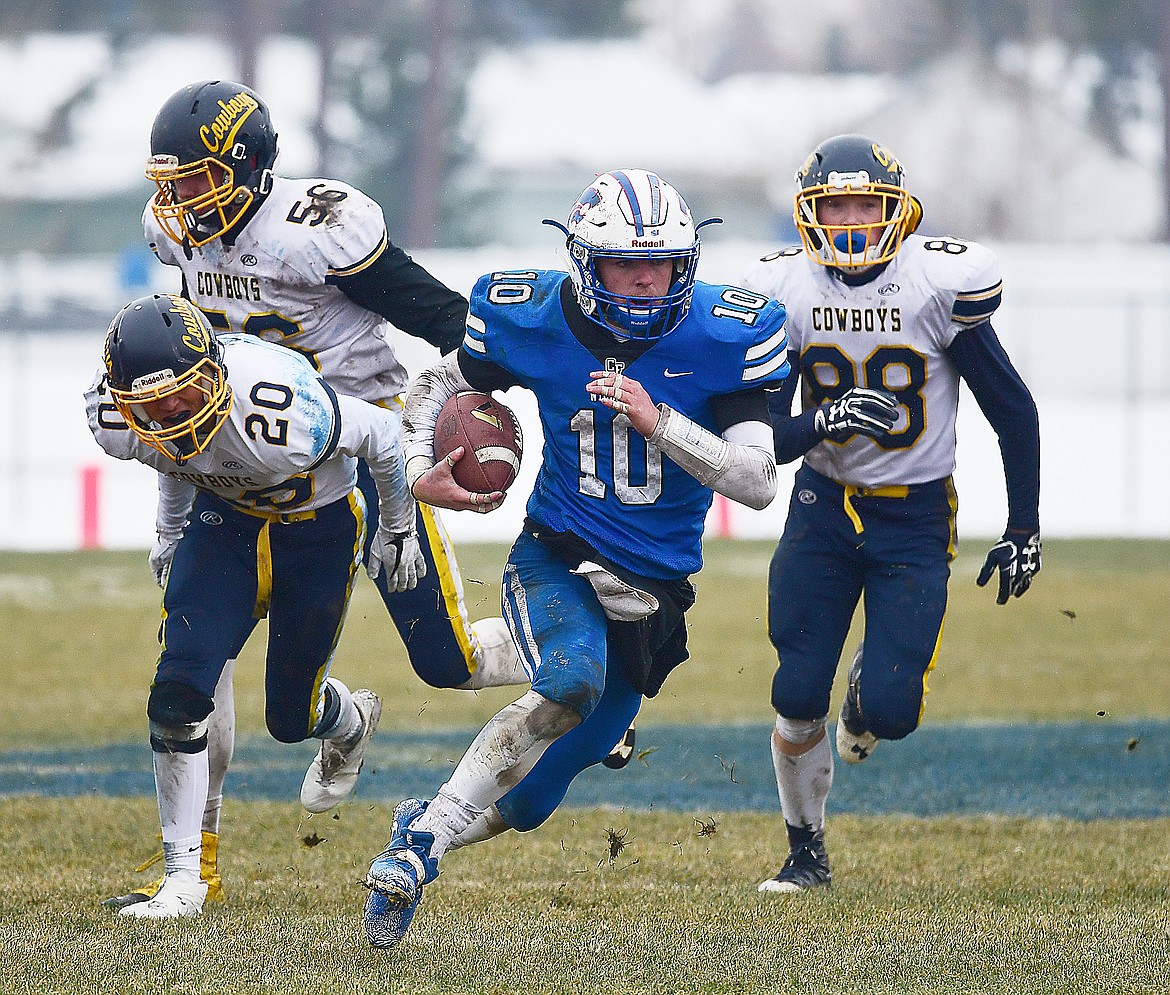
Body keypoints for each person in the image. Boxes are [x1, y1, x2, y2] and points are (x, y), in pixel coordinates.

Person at [104, 79, 531, 910]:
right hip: (238, 459)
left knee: (449, 661)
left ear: (250, 168)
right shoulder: (174, 233)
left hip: (357, 456)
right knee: (197, 663)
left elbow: (432, 310)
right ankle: (195, 868)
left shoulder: (316, 232)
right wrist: (173, 510)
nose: (179, 200)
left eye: (196, 178)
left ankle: (569, 655)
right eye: (171, 182)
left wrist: (515, 368)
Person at [359, 167, 791, 948]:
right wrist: (423, 462)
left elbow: (759, 482)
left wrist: (663, 423)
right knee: (570, 676)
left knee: (531, 800)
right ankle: (415, 853)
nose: (644, 279)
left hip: (655, 586)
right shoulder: (531, 318)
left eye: (658, 262)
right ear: (583, 263)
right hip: (558, 549)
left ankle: (429, 821)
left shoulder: (725, 334)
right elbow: (435, 382)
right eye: (625, 262)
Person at [739, 134, 1041, 893]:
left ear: (894, 210)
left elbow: (1013, 411)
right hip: (823, 508)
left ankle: (865, 705)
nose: (847, 220)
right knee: (795, 689)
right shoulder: (787, 292)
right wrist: (828, 418)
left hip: (914, 514)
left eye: (862, 204)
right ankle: (805, 852)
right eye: (832, 204)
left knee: (892, 709)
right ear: (809, 211)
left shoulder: (936, 285)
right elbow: (765, 441)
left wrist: (1024, 526)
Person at [85, 293, 424, 918]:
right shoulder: (119, 419)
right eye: (150, 405)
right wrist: (170, 531)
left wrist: (397, 528)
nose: (172, 411)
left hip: (315, 527)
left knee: (290, 716)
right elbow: (178, 456)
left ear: (212, 370)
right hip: (226, 529)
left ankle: (348, 719)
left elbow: (381, 434)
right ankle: (184, 880)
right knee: (179, 693)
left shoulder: (281, 404)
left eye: (183, 392)